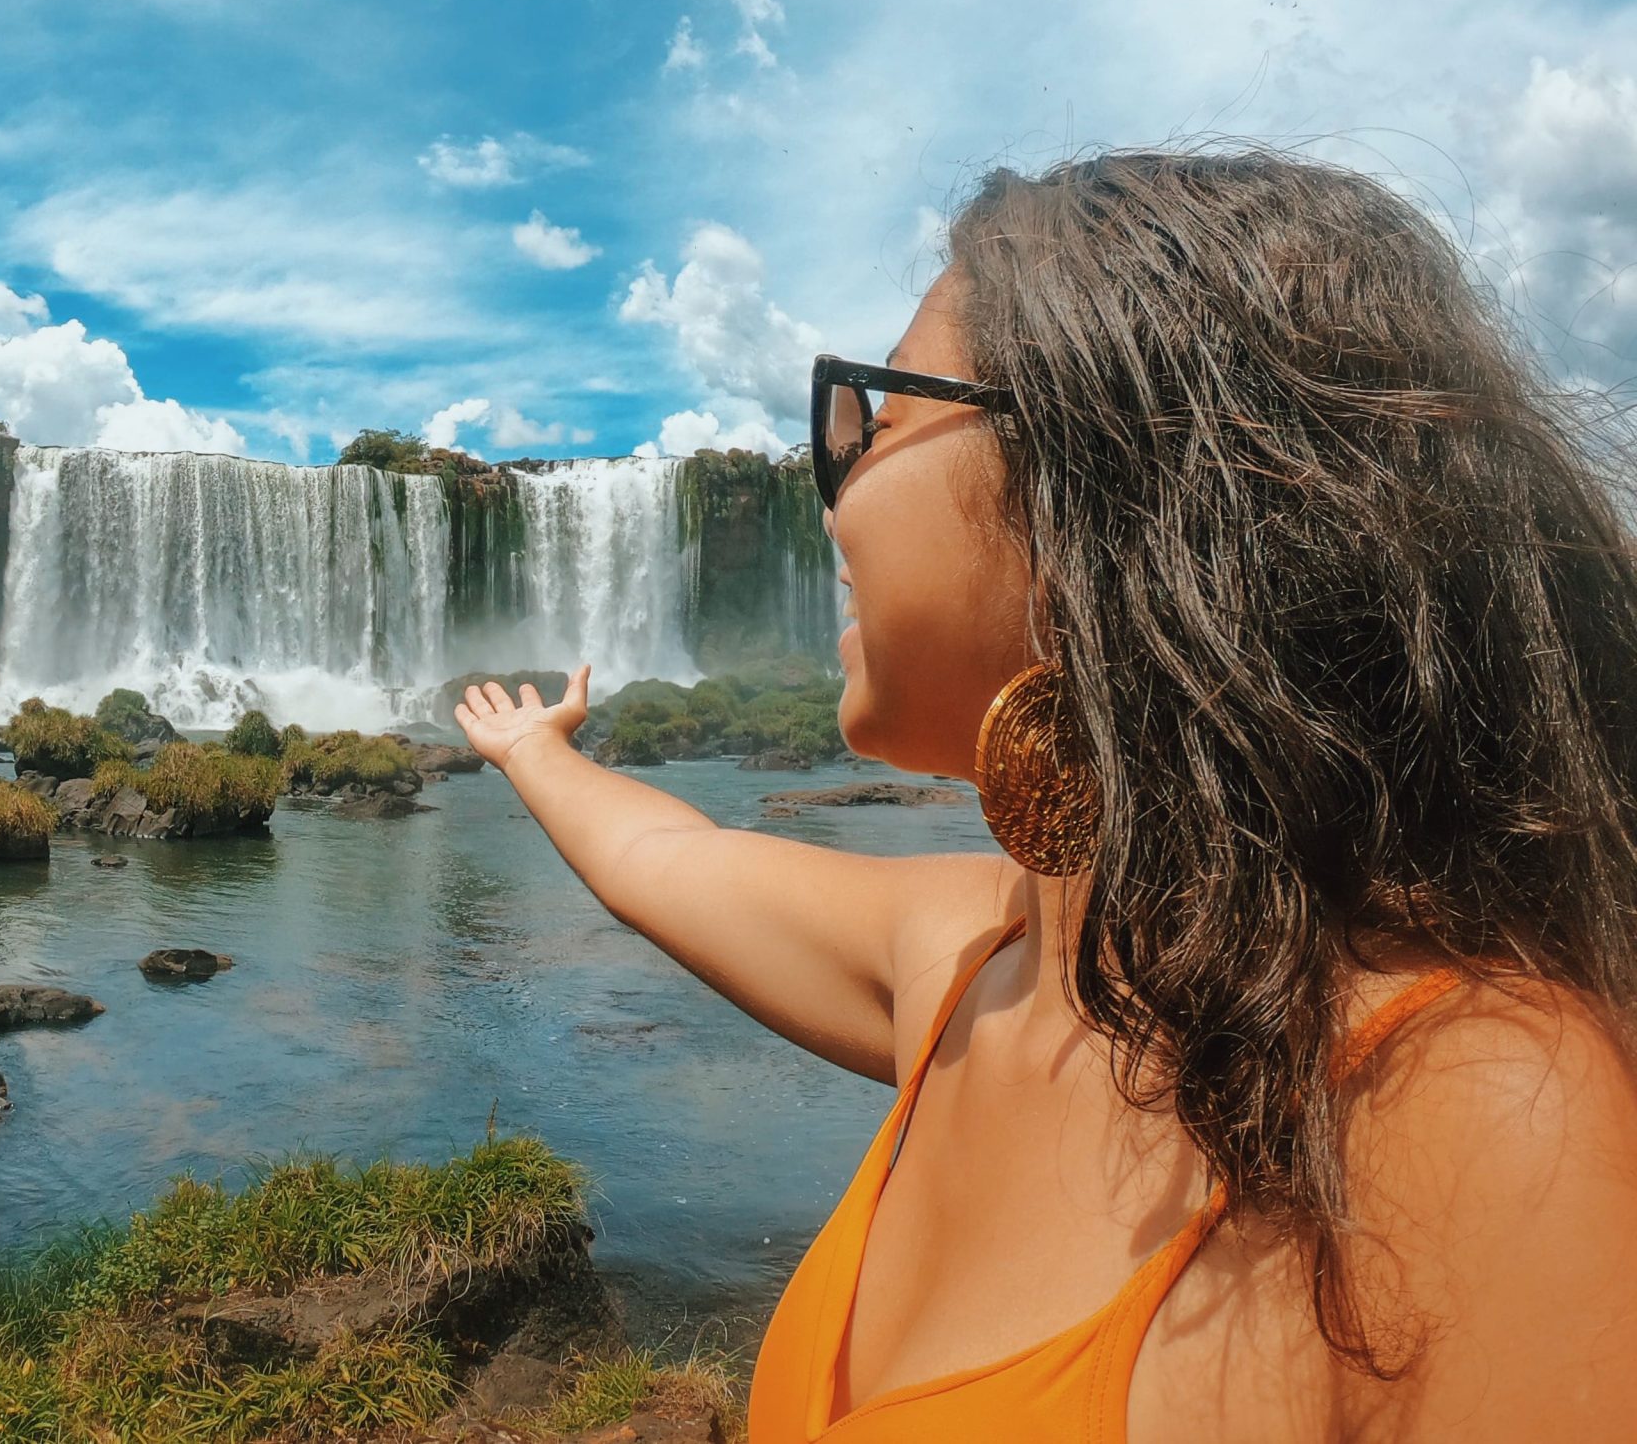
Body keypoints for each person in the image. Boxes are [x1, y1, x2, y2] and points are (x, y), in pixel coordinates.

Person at [456, 150, 1637, 1441]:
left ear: (1108, 480)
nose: (834, 483)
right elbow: (665, 857)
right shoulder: (984, 959)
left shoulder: (1491, 1116)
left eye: (871, 419)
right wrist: (535, 751)